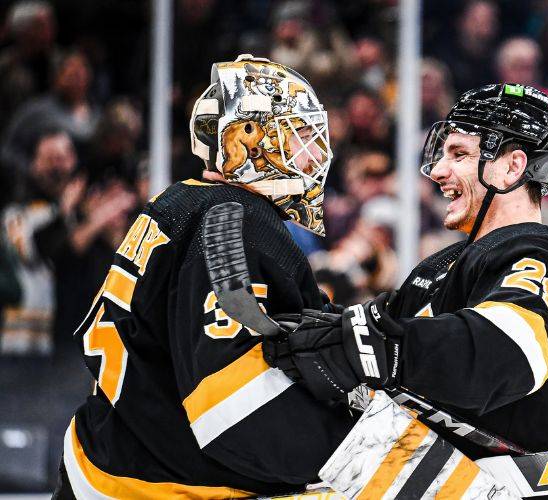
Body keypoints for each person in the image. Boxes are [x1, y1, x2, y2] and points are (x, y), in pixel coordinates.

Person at [53, 55, 356, 498]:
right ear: (247, 141)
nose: (313, 153)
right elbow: (228, 405)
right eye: (299, 135)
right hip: (153, 483)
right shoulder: (235, 222)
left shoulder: (181, 201)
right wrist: (346, 449)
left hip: (112, 451)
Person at [265, 83, 548, 459]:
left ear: (512, 167)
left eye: (459, 154)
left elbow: (499, 355)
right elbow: (379, 329)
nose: (437, 170)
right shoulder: (441, 265)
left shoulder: (543, 255)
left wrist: (378, 348)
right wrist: (303, 317)